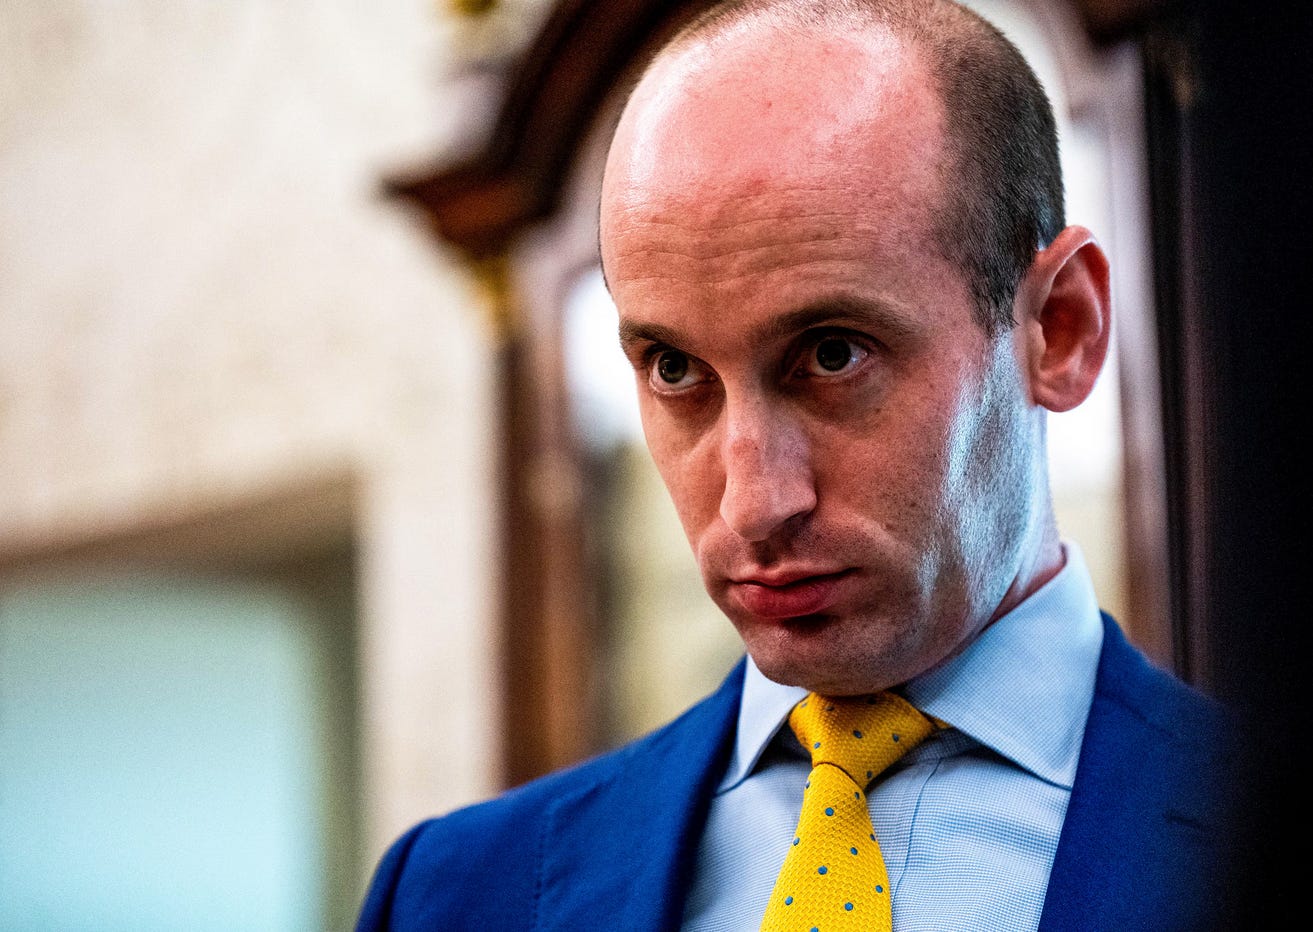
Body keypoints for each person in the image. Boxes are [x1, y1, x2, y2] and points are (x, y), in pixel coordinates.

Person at [356, 0, 1236, 928]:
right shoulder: (455, 893)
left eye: (831, 355)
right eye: (673, 369)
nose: (752, 504)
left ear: (1059, 329)